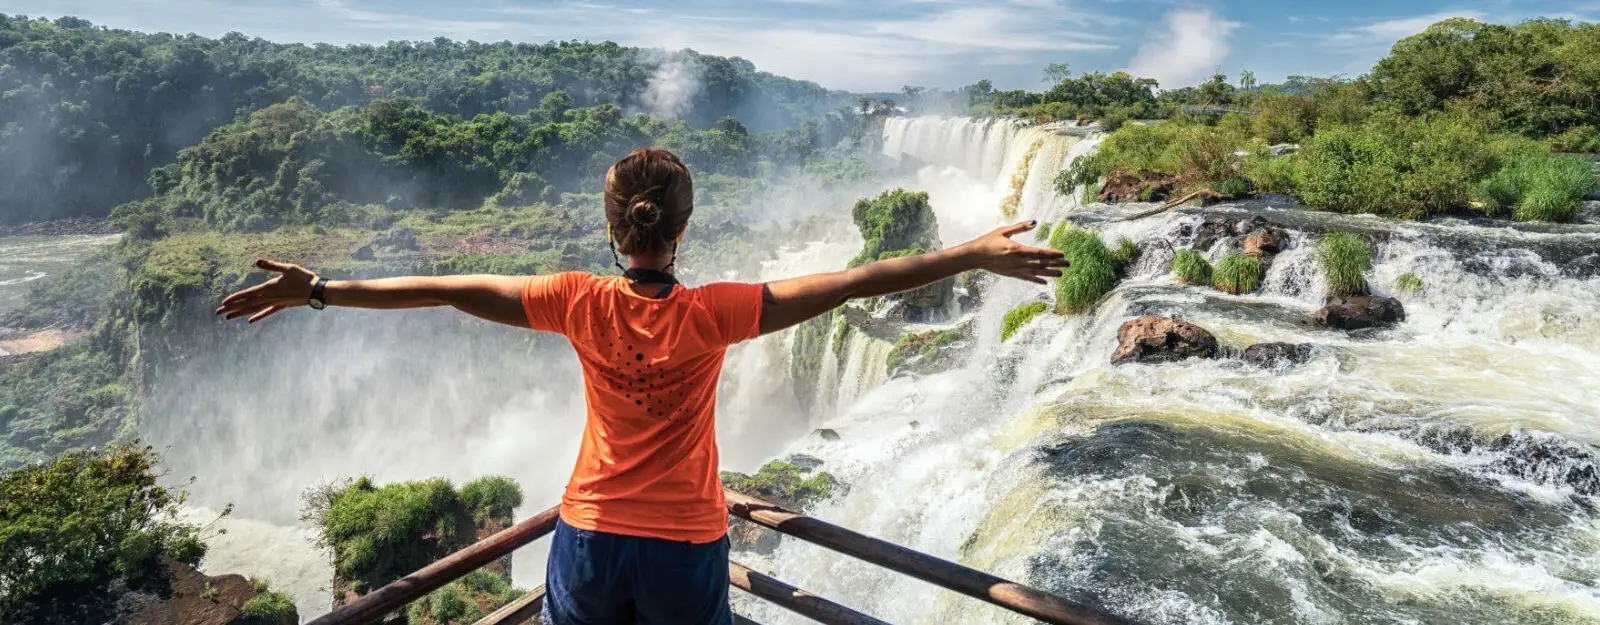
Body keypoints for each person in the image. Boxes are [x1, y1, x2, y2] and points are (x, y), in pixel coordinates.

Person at [216, 147, 1068, 624]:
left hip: (587, 535)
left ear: (612, 227)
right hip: (686, 546)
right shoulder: (717, 313)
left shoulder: (573, 301)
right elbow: (852, 280)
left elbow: (446, 287)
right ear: (684, 227)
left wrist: (318, 288)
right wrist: (970, 252)